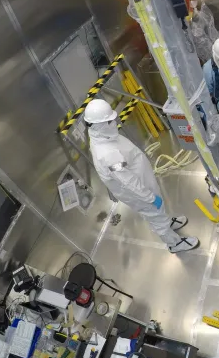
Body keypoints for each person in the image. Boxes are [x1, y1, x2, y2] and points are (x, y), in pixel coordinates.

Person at [84, 99, 199, 253]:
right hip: (139, 191)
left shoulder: (102, 136)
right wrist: (149, 197)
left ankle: (167, 222)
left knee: (158, 211)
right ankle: (174, 243)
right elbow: (127, 181)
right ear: (99, 125)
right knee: (154, 215)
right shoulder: (107, 154)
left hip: (143, 182)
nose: (113, 122)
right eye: (109, 121)